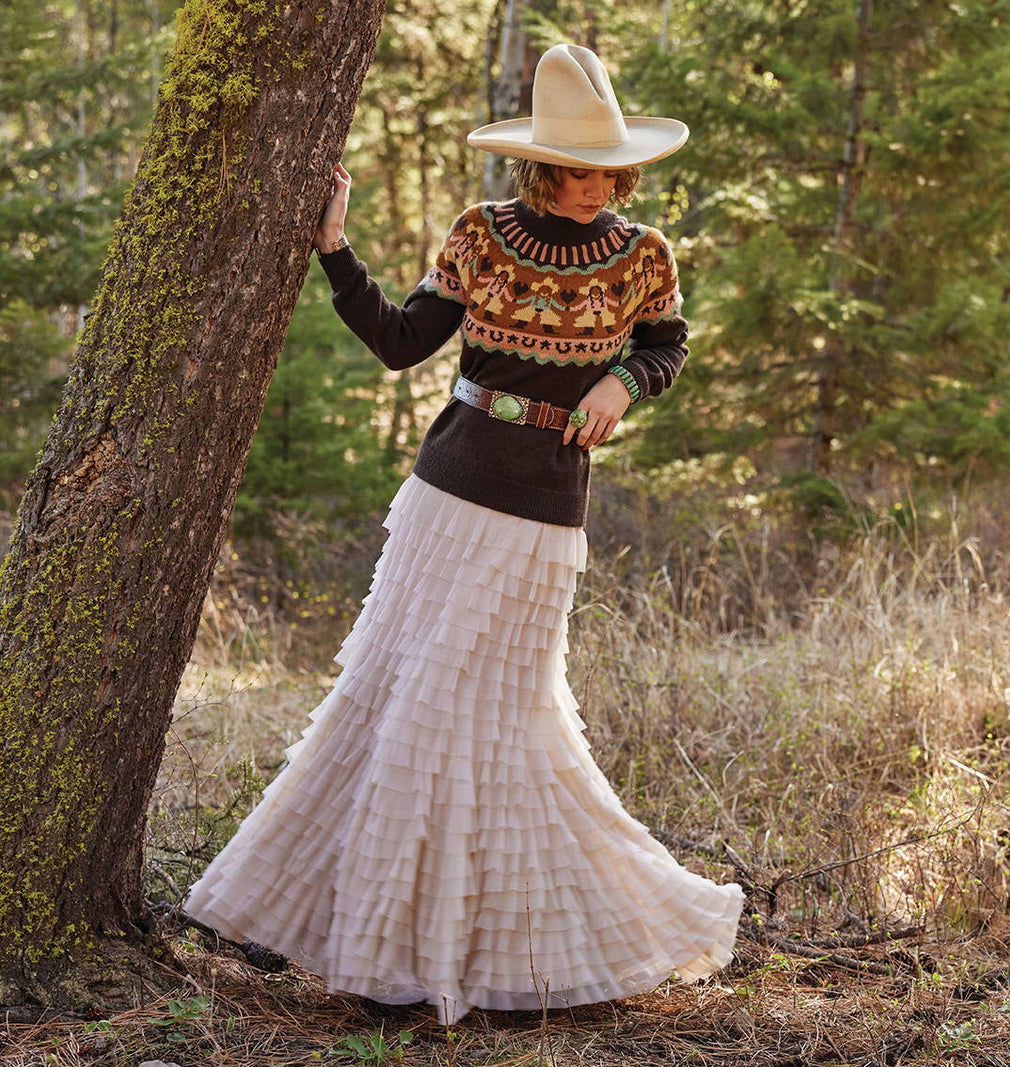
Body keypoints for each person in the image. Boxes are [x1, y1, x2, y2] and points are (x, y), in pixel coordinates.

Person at [182, 43, 744, 1026]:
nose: (591, 188)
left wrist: (624, 381)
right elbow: (402, 341)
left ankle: (494, 948)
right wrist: (333, 247)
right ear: (537, 166)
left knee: (493, 717)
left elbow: (667, 343)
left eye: (606, 169)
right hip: (449, 493)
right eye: (573, 170)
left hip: (544, 506)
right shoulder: (481, 234)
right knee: (395, 701)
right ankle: (345, 935)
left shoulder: (642, 252)